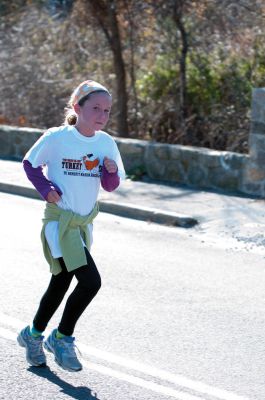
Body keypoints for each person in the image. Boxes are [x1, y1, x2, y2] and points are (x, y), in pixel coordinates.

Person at [17, 80, 125, 372]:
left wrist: (110, 172)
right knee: (91, 281)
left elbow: (110, 185)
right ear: (77, 108)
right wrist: (45, 187)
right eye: (95, 108)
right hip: (60, 222)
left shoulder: (105, 143)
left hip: (82, 226)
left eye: (107, 110)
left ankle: (32, 335)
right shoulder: (57, 137)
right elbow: (29, 164)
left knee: (61, 282)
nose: (101, 115)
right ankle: (61, 338)